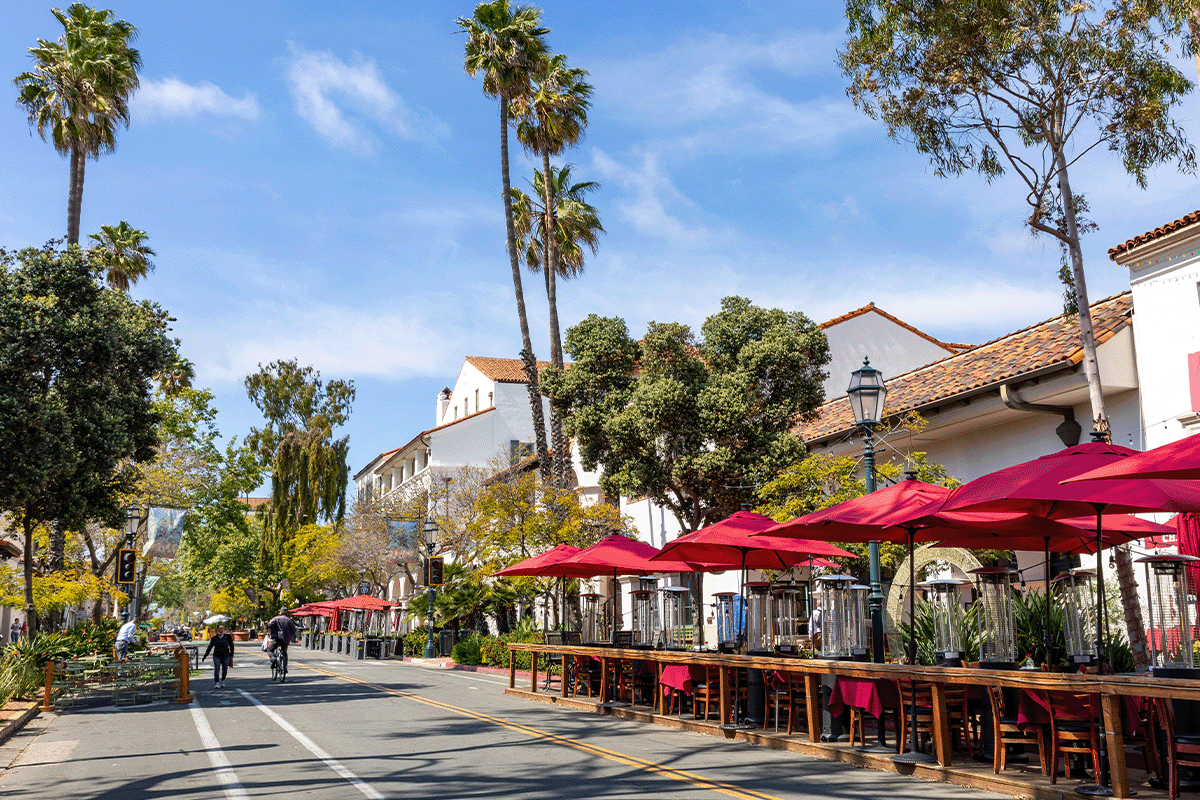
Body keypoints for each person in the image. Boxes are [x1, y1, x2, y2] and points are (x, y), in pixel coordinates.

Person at [267, 609, 297, 673]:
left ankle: (273, 659)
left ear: (280, 612)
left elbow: (270, 624)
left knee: (269, 650)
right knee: (284, 653)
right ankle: (285, 667)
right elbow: (294, 630)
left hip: (277, 638)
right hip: (286, 639)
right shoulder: (289, 620)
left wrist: (273, 630)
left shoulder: (276, 619)